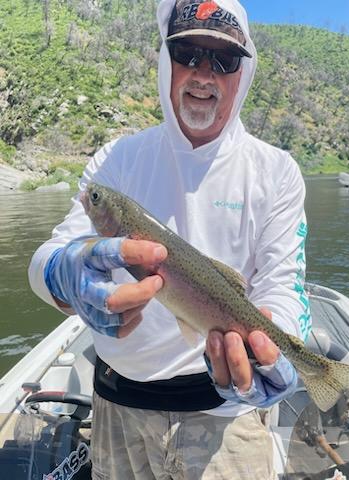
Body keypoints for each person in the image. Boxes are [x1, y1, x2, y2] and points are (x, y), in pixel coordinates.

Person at [29, 0, 311, 478]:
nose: (204, 74)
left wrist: (276, 350)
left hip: (228, 418)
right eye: (188, 54)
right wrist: (61, 275)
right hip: (118, 408)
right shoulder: (117, 159)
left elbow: (282, 285)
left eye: (223, 60)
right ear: (166, 62)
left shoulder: (277, 172)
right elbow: (49, 259)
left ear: (242, 73)